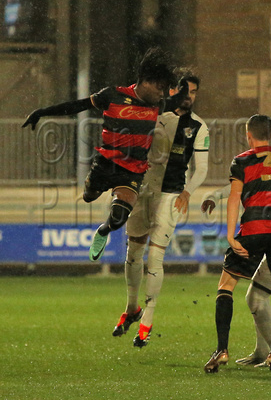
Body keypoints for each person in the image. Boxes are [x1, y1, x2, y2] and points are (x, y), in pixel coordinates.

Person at [22, 47, 177, 262]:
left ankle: (103, 231)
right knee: (88, 196)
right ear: (145, 81)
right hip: (105, 163)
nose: (162, 94)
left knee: (119, 217)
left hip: (133, 169)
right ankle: (93, 186)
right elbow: (78, 105)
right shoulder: (113, 95)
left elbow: (183, 101)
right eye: (160, 88)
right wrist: (42, 112)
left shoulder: (160, 104)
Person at [203, 115, 271, 373]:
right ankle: (264, 351)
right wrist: (215, 196)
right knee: (257, 296)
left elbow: (240, 189)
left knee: (254, 297)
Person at [112, 68, 210, 348]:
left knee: (155, 258)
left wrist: (188, 192)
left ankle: (147, 322)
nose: (189, 96)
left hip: (172, 195)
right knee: (133, 253)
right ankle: (132, 308)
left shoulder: (200, 128)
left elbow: (200, 168)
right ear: (171, 90)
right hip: (144, 191)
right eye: (184, 90)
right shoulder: (153, 117)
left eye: (193, 92)